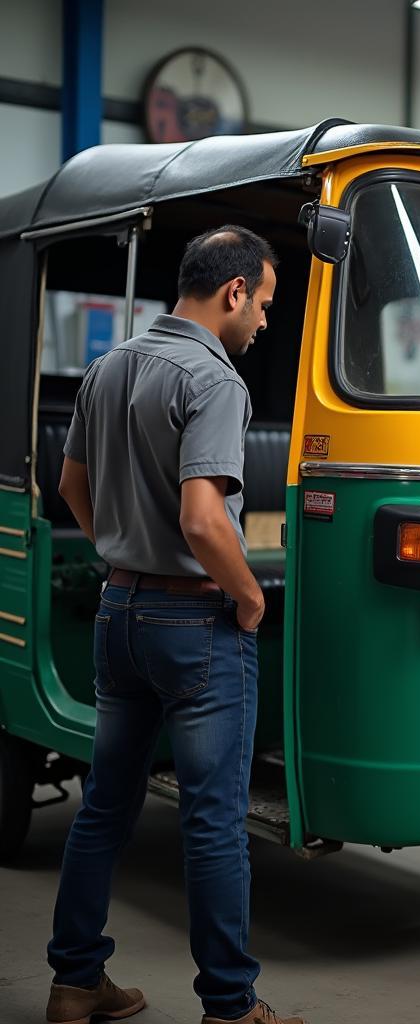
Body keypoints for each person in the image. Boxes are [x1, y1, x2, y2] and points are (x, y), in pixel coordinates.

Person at [46, 227, 307, 1024]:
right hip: (194, 621)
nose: (263, 320)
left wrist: (123, 554)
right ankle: (231, 1006)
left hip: (118, 611)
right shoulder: (215, 380)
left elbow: (69, 486)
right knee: (214, 822)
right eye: (263, 303)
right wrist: (248, 595)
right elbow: (203, 519)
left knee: (105, 807)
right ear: (233, 292)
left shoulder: (108, 366)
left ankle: (74, 982)